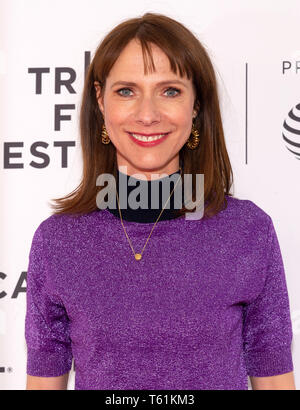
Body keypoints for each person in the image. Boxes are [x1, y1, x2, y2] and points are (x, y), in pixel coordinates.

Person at [25, 12, 295, 390]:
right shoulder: (58, 241)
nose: (147, 114)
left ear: (196, 104)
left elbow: (275, 381)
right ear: (101, 102)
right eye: (126, 91)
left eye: (170, 91)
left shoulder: (249, 231)